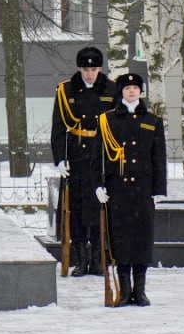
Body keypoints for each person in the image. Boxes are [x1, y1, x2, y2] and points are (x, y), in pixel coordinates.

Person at [95, 70, 167, 307]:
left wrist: (158, 190)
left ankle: (141, 290)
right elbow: (98, 156)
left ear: (140, 91)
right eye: (127, 88)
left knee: (143, 239)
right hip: (118, 189)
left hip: (143, 188)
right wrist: (98, 185)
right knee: (121, 238)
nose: (132, 91)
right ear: (121, 92)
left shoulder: (152, 121)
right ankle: (124, 290)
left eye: (135, 88)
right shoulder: (107, 120)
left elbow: (159, 158)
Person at [50, 45, 118, 276]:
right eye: (86, 69)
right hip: (77, 156)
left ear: (100, 68)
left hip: (100, 156)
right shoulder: (66, 90)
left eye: (94, 69)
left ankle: (99, 259)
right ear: (79, 68)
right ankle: (80, 259)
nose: (90, 74)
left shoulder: (111, 89)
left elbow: (117, 127)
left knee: (101, 208)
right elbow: (59, 129)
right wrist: (60, 158)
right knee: (76, 209)